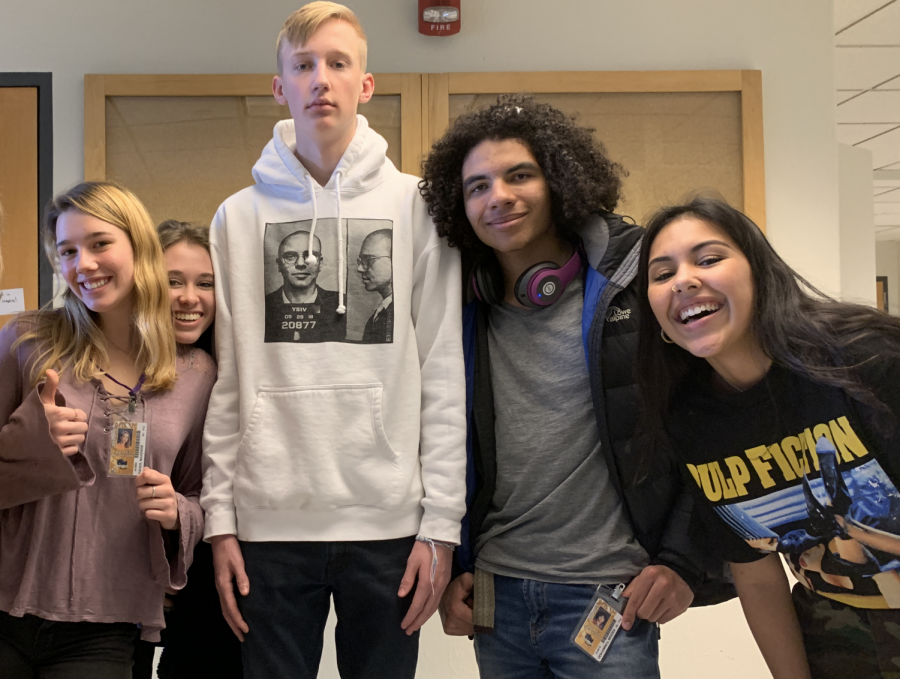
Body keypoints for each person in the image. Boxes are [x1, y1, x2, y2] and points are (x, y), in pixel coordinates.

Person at [201, 3, 466, 679]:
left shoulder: (417, 207)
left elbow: (442, 371)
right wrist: (221, 518)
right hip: (270, 522)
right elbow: (230, 377)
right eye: (303, 65)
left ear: (365, 84)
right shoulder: (237, 217)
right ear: (279, 86)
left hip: (386, 520)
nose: (321, 78)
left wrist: (441, 524)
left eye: (337, 63)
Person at [419, 94, 708, 678]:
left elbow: (707, 424)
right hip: (496, 596)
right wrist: (453, 569)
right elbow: (440, 445)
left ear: (559, 182)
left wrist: (684, 560)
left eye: (518, 175)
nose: (498, 196)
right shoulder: (457, 310)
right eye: (476, 186)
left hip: (608, 594)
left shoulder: (635, 289)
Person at [636, 195, 900, 679]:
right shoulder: (692, 419)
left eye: (709, 259)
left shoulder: (867, 360)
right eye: (661, 273)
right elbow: (755, 574)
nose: (685, 280)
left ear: (760, 272)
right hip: (835, 630)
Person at [0, 181, 215, 678]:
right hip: (7, 605)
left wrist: (177, 513)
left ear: (139, 247)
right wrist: (32, 442)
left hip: (107, 623)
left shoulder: (195, 374)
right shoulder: (26, 342)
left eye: (99, 244)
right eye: (68, 251)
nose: (84, 264)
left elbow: (202, 494)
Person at [131, 219, 241, 679]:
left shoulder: (215, 371)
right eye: (172, 281)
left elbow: (212, 487)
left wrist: (170, 566)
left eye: (205, 284)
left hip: (195, 556)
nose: (189, 298)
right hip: (113, 568)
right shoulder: (112, 363)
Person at [264, 229, 346, 342]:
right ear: (279, 265)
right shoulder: (264, 305)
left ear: (320, 264)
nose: (301, 264)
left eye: (310, 256)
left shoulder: (341, 303)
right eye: (290, 256)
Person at [356, 228, 393, 343]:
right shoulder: (379, 313)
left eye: (368, 260)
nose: (360, 269)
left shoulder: (402, 312)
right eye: (360, 261)